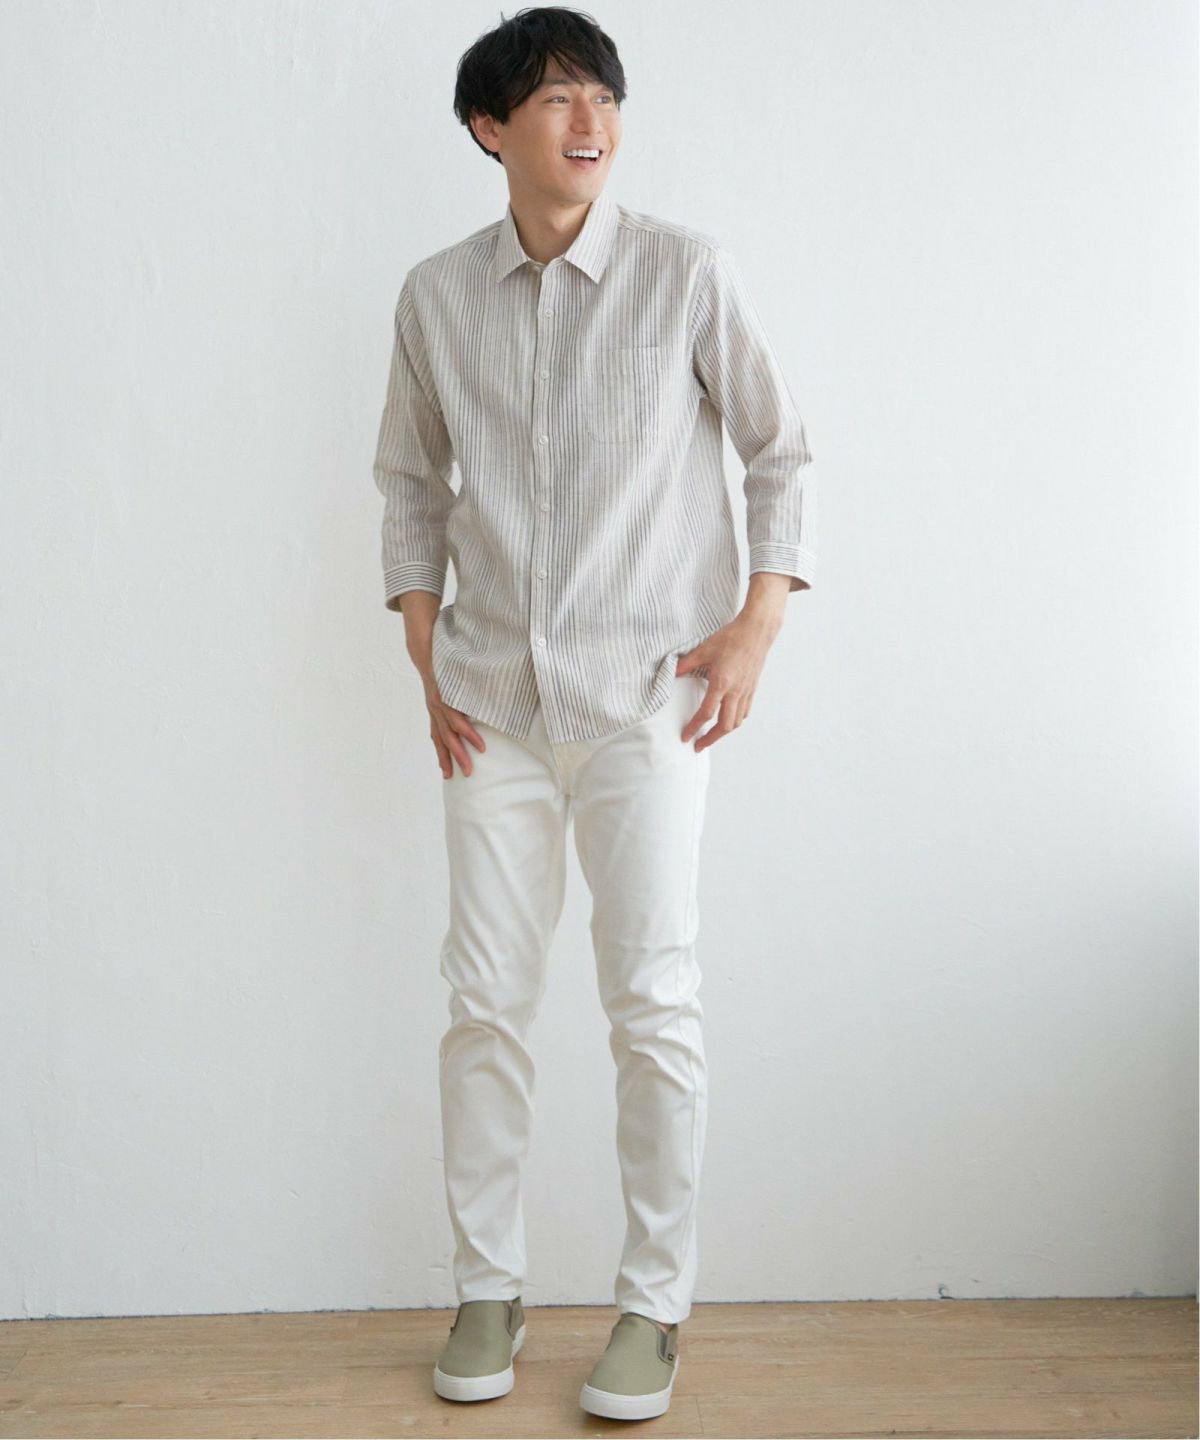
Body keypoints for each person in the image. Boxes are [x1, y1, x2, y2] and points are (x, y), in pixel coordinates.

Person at [371, 5, 817, 1421]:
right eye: (558, 97)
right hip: (490, 705)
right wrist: (424, 647)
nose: (590, 122)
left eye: (605, 97)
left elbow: (781, 449)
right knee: (484, 1006)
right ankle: (486, 1287)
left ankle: (652, 1307)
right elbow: (409, 481)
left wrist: (755, 625)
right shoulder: (436, 297)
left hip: (646, 703)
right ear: (489, 127)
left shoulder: (687, 273)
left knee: (653, 1001)